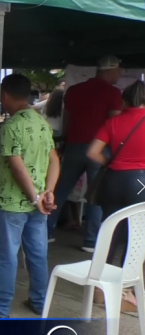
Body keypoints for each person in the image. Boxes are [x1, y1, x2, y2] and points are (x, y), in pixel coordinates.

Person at [0, 73, 59, 318]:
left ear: (5, 95)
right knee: (37, 254)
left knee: (6, 256)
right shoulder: (42, 123)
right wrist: (47, 192)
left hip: (12, 203)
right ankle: (39, 302)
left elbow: (16, 167)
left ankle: (0, 308)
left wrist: (34, 198)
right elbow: (54, 160)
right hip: (39, 204)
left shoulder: (11, 126)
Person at [47, 55, 122, 252]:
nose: (120, 74)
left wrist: (65, 140)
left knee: (60, 190)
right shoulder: (113, 93)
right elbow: (113, 124)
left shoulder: (74, 90)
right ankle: (90, 241)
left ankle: (45, 231)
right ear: (110, 70)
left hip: (74, 145)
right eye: (118, 70)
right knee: (96, 195)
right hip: (100, 148)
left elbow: (67, 119)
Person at [87, 80, 145, 312]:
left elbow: (92, 152)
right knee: (136, 236)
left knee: (109, 231)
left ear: (124, 100)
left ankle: (98, 289)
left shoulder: (113, 121)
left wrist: (111, 163)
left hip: (113, 180)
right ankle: (125, 289)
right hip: (140, 183)